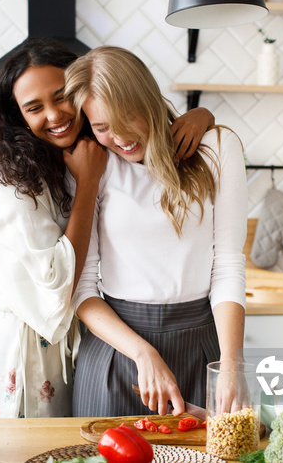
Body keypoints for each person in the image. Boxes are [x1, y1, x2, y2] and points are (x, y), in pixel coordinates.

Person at [0, 39, 215, 418]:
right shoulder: (14, 183)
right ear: (18, 117)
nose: (53, 115)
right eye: (34, 108)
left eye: (62, 96)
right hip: (22, 352)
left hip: (73, 346)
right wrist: (89, 183)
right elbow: (58, 284)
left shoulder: (83, 152)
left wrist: (201, 116)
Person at [64, 46, 247, 418]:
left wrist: (231, 363)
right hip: (115, 356)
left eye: (128, 117)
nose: (120, 137)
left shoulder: (217, 148)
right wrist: (142, 353)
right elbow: (82, 288)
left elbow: (227, 266)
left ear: (148, 101)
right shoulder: (93, 164)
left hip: (201, 349)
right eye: (102, 127)